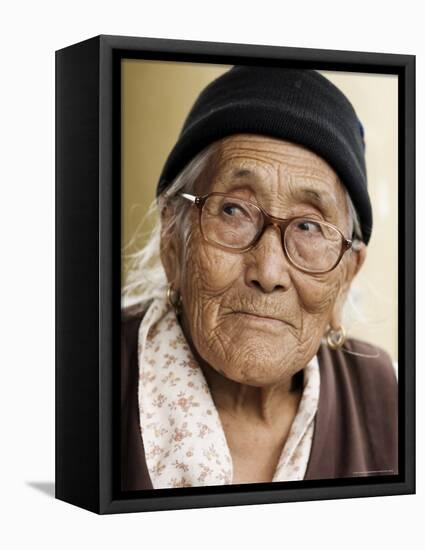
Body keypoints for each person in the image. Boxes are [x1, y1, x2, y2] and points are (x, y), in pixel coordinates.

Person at [121, 66, 398, 491]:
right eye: (233, 210)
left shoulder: (391, 399)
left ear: (346, 277)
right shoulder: (79, 377)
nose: (268, 273)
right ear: (172, 241)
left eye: (309, 227)